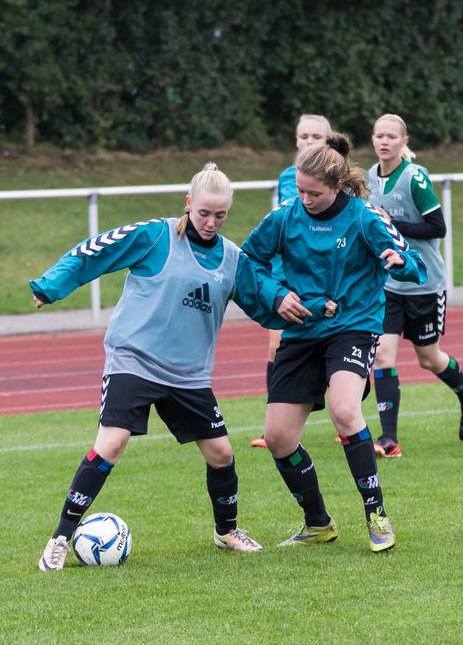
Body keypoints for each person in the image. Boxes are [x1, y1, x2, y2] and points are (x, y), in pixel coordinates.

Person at [29, 162, 332, 571]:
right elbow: (95, 252)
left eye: (220, 215)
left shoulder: (231, 258)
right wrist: (51, 286)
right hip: (133, 360)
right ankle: (60, 539)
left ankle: (227, 532)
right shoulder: (155, 236)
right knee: (112, 442)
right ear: (188, 203)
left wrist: (302, 306)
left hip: (188, 375)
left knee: (222, 454)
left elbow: (265, 298)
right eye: (203, 213)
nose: (210, 222)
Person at [242, 133, 426, 552]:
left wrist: (400, 263)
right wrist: (276, 296)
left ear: (338, 185)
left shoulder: (365, 218)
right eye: (300, 190)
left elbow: (411, 262)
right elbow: (249, 260)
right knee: (277, 438)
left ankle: (376, 514)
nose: (305, 199)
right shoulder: (285, 215)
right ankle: (318, 522)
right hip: (303, 330)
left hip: (353, 326)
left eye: (314, 193)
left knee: (345, 409)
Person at [366, 113, 463, 458]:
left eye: (391, 136)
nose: (384, 142)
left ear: (405, 142)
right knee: (383, 355)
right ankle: (390, 440)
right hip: (389, 285)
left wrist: (393, 224)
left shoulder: (415, 177)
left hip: (424, 284)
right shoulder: (370, 178)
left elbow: (437, 227)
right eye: (379, 136)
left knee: (429, 359)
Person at [251, 113, 333, 449]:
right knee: (275, 346)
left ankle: (348, 420)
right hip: (285, 279)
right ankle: (274, 425)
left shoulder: (338, 181)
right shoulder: (287, 177)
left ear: (328, 142)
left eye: (316, 136)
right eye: (304, 136)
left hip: (326, 282)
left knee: (334, 347)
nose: (309, 142)